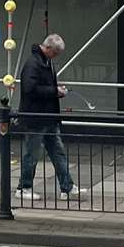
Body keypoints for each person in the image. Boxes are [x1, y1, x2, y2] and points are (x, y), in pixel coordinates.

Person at [15, 33, 84, 200]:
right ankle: (23, 187)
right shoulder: (33, 64)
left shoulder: (45, 61)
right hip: (36, 116)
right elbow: (29, 89)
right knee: (31, 154)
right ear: (47, 48)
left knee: (58, 151)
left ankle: (66, 186)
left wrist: (56, 89)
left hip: (48, 116)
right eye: (55, 53)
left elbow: (41, 86)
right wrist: (55, 91)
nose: (56, 56)